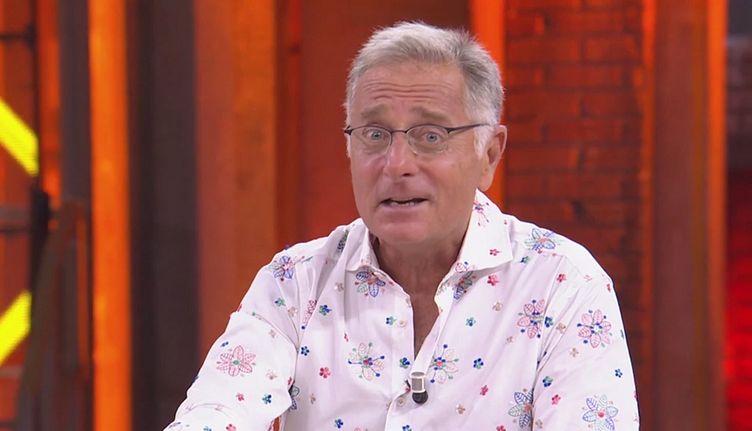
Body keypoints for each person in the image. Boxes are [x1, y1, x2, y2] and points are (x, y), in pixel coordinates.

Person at [165, 21, 639, 431]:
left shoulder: (562, 284)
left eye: (430, 136)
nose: (397, 164)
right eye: (374, 135)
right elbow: (216, 411)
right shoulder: (295, 283)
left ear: (489, 155)